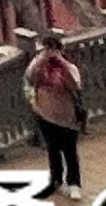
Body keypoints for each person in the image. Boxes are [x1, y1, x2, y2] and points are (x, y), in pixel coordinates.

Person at [23, 30, 87, 193]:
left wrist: (62, 64)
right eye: (46, 49)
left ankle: (74, 182)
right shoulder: (38, 67)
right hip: (45, 113)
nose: (49, 54)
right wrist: (41, 61)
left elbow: (75, 86)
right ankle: (55, 179)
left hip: (67, 115)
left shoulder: (69, 67)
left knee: (69, 150)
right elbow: (29, 78)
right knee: (53, 149)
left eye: (52, 49)